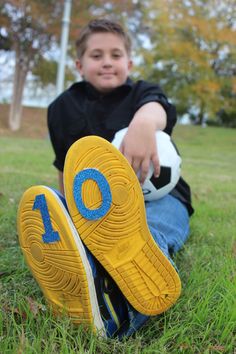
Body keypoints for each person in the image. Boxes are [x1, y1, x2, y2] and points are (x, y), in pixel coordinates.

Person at [18, 18, 194, 339]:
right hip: (96, 205)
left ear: (129, 62)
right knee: (61, 209)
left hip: (159, 197)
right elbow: (64, 166)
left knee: (156, 226)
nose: (107, 62)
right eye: (96, 55)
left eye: (116, 55)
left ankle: (120, 299)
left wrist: (143, 123)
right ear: (79, 64)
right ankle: (84, 262)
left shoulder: (143, 93)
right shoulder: (61, 108)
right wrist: (69, 211)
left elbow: (158, 109)